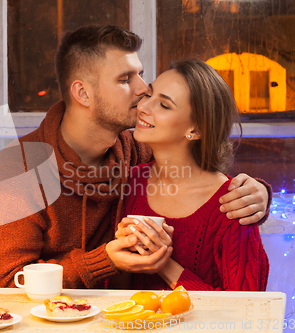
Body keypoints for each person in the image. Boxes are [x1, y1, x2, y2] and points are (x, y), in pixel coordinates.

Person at [0, 25, 271, 289]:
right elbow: (8, 285)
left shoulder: (136, 152)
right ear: (83, 93)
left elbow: (193, 166)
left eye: (141, 74)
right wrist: (104, 261)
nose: (143, 89)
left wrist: (257, 192)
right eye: (125, 79)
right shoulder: (16, 171)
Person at [113, 58, 269, 291]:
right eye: (149, 95)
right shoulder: (131, 181)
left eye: (164, 105)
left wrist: (164, 264)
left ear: (195, 130)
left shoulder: (233, 205)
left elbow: (248, 314)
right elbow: (115, 292)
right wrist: (122, 254)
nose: (143, 107)